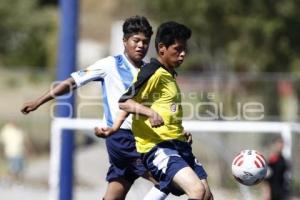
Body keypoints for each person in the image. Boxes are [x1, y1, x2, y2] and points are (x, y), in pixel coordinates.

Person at [21, 15, 169, 200]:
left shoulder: (150, 71)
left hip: (143, 137)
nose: (141, 45)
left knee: (114, 195)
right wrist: (39, 101)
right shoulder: (109, 65)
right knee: (170, 179)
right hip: (124, 138)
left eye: (145, 42)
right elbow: (72, 82)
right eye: (136, 40)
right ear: (124, 41)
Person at [95, 21, 213, 200]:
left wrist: (180, 131)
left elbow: (164, 109)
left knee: (206, 195)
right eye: (177, 49)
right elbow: (125, 101)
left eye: (184, 49)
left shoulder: (169, 75)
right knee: (196, 190)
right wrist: (149, 113)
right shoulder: (152, 72)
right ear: (162, 48)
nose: (182, 54)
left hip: (178, 144)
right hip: (159, 147)